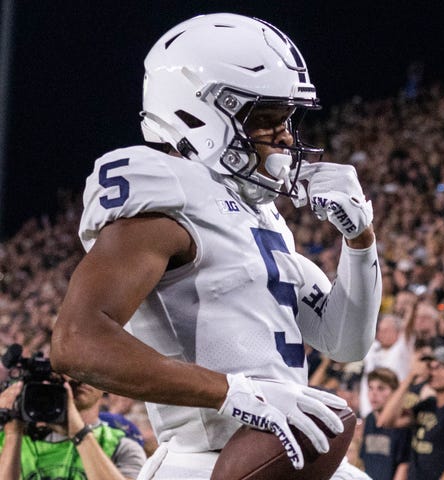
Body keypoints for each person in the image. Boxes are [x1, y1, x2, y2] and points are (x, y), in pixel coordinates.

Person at [50, 13, 382, 479]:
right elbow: (75, 342)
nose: (284, 136)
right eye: (265, 119)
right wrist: (235, 393)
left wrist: (360, 240)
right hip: (205, 462)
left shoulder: (259, 213)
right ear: (197, 112)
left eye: (287, 119)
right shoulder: (167, 190)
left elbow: (346, 343)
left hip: (281, 455)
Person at [0, 378, 146, 479]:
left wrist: (80, 433)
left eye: (91, 371)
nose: (80, 378)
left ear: (104, 386)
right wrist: (13, 434)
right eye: (70, 370)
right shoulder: (7, 437)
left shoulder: (122, 445)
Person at [377, 346, 444, 479]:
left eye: (441, 367)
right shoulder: (428, 404)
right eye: (432, 367)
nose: (433, 372)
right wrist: (410, 377)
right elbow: (385, 421)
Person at [359, 368, 411, 480]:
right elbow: (363, 460)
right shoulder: (369, 419)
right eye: (370, 388)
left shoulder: (402, 422)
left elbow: (404, 465)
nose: (374, 394)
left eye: (381, 388)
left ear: (395, 393)